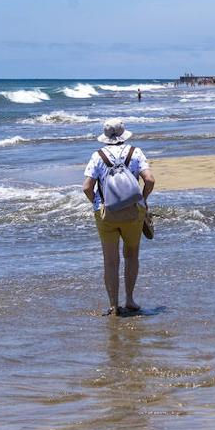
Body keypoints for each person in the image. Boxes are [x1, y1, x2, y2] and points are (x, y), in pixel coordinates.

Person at [83, 119, 155, 317]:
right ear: (124, 134)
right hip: (133, 211)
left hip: (107, 213)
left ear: (105, 137)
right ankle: (130, 300)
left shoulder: (97, 156)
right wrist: (144, 199)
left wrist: (97, 205)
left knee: (110, 261)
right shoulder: (136, 152)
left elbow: (87, 187)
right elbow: (149, 179)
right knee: (131, 256)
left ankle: (114, 305)